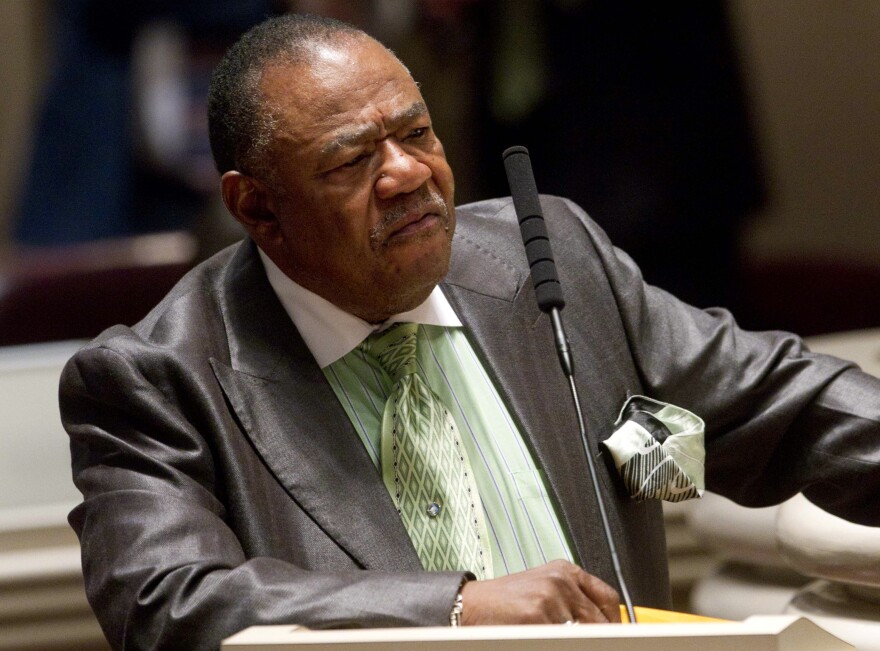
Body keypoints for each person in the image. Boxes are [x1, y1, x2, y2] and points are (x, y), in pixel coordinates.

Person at [60, 14, 880, 651]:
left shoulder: (548, 261)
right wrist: (456, 607)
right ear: (257, 207)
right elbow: (166, 599)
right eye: (352, 162)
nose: (409, 173)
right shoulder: (159, 378)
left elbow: (787, 407)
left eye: (416, 133)